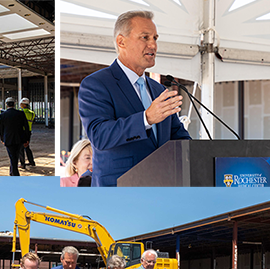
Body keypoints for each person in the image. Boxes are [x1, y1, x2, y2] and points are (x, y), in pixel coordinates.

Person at [78, 10, 191, 187]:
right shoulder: (97, 84)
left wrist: (200, 153)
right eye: (145, 37)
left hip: (162, 187)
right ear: (121, 41)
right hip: (118, 190)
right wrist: (146, 119)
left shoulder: (158, 89)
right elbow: (99, 136)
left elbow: (177, 137)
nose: (153, 45)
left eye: (155, 38)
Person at [0, 97, 31, 176]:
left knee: (13, 157)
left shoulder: (2, 115)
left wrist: (2, 138)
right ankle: (12, 173)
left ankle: (15, 174)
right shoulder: (20, 113)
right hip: (19, 139)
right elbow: (26, 127)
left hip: (8, 140)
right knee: (14, 157)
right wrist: (27, 139)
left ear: (6, 105)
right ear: (14, 104)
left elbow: (0, 129)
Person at [18, 97, 36, 170]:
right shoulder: (32, 113)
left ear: (22, 104)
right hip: (29, 131)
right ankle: (31, 161)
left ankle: (22, 164)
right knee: (27, 147)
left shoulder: (20, 112)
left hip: (21, 131)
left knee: (20, 148)